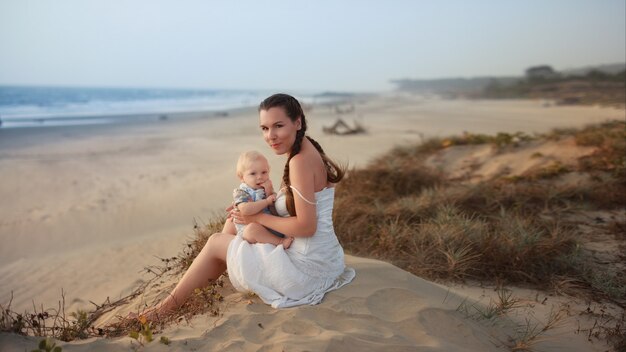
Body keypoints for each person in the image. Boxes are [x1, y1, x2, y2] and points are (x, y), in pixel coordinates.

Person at [142, 93, 355, 317]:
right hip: (325, 258)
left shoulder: (299, 162)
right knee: (234, 219)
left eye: (278, 126)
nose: (270, 136)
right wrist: (251, 208)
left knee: (216, 242)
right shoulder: (306, 148)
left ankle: (162, 310)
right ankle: (218, 271)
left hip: (307, 269)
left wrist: (257, 218)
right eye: (264, 128)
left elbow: (306, 227)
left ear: (298, 122)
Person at [232, 150, 294, 249]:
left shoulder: (267, 191)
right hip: (250, 231)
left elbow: (276, 211)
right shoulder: (241, 192)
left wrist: (270, 193)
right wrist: (266, 201)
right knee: (251, 229)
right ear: (241, 177)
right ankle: (280, 242)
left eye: (264, 172)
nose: (260, 177)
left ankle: (277, 238)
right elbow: (245, 210)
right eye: (253, 174)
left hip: (270, 227)